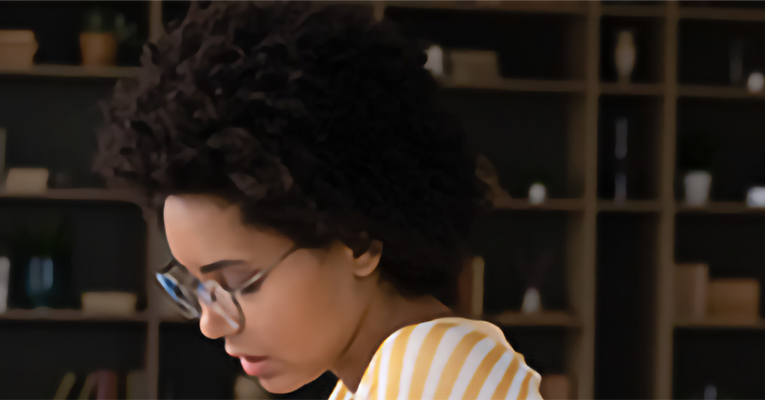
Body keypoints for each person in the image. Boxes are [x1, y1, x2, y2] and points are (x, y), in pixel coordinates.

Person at [95, 0, 545, 399]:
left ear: (358, 242)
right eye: (197, 290)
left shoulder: (434, 369)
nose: (212, 324)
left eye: (239, 283)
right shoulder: (380, 379)